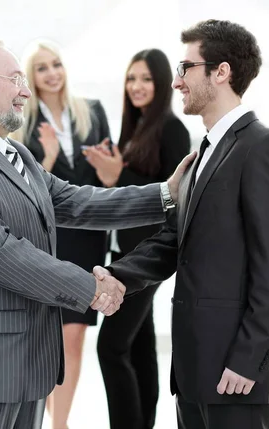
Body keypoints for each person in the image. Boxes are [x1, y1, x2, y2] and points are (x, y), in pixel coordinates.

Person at [0, 40, 195, 429]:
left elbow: (75, 202)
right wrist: (92, 288)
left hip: (25, 367)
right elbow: (1, 254)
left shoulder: (17, 155)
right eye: (15, 79)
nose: (26, 91)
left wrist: (166, 194)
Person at [95, 20, 269, 429]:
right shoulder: (200, 154)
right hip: (194, 370)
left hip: (235, 372)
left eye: (184, 67)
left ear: (220, 72)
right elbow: (175, 239)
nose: (176, 82)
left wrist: (248, 360)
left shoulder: (263, 147)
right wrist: (116, 276)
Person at [84, 48, 190, 429]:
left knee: (110, 349)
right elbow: (123, 193)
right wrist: (107, 171)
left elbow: (173, 198)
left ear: (162, 83)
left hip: (147, 258)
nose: (137, 86)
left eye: (146, 78)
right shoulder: (134, 128)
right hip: (127, 253)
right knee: (138, 347)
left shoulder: (171, 128)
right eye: (132, 78)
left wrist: (118, 176)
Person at [10, 39, 112, 429]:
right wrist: (48, 156)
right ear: (31, 78)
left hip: (87, 239)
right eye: (41, 68)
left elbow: (107, 179)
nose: (51, 73)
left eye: (56, 64)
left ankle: (60, 423)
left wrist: (108, 167)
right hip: (49, 240)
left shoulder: (93, 112)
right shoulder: (22, 122)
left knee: (74, 337)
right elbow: (23, 186)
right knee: (47, 337)